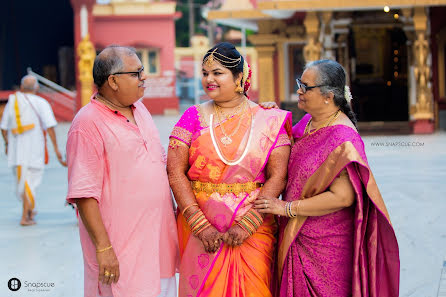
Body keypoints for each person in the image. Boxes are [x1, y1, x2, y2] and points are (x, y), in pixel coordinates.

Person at [254, 59, 400, 297]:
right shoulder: (311, 122)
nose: (299, 90)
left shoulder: (344, 139)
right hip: (298, 234)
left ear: (328, 96)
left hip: (326, 247)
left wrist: (288, 208)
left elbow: (343, 197)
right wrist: (271, 118)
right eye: (299, 83)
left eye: (306, 86)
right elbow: (291, 148)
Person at [167, 42, 293, 297]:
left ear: (239, 77)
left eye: (217, 72)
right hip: (201, 227)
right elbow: (174, 171)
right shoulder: (192, 116)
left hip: (254, 229)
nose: (209, 79)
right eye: (205, 73)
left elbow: (278, 176)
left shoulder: (268, 120)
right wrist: (199, 224)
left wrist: (249, 223)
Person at [66, 45, 178, 297]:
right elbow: (84, 193)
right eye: (137, 72)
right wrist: (104, 248)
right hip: (121, 250)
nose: (144, 77)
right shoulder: (87, 123)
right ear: (113, 81)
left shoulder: (141, 110)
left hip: (158, 245)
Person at [1, 75, 66, 226]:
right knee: (30, 184)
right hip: (35, 150)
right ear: (36, 88)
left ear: (22, 88)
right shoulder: (41, 103)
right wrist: (56, 149)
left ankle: (29, 211)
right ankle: (25, 216)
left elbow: (3, 128)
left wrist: (7, 144)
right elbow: (50, 127)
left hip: (17, 152)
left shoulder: (12, 102)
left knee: (24, 184)